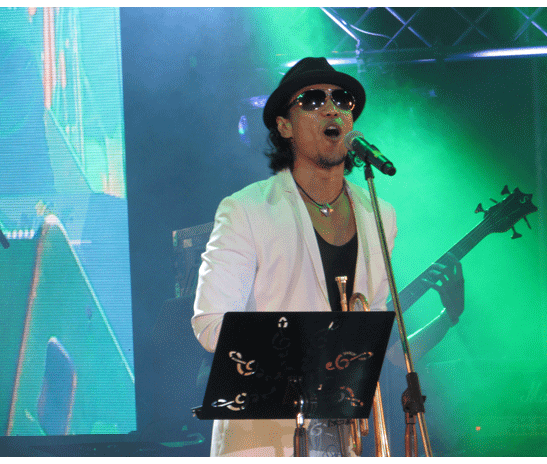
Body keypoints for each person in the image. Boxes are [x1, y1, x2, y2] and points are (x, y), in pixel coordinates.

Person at [192, 57, 464, 457]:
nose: (332, 108)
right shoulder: (246, 209)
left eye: (342, 100)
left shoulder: (380, 213)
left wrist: (446, 319)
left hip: (344, 441)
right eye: (312, 100)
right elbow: (211, 324)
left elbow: (379, 344)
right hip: (265, 440)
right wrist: (316, 347)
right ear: (284, 126)